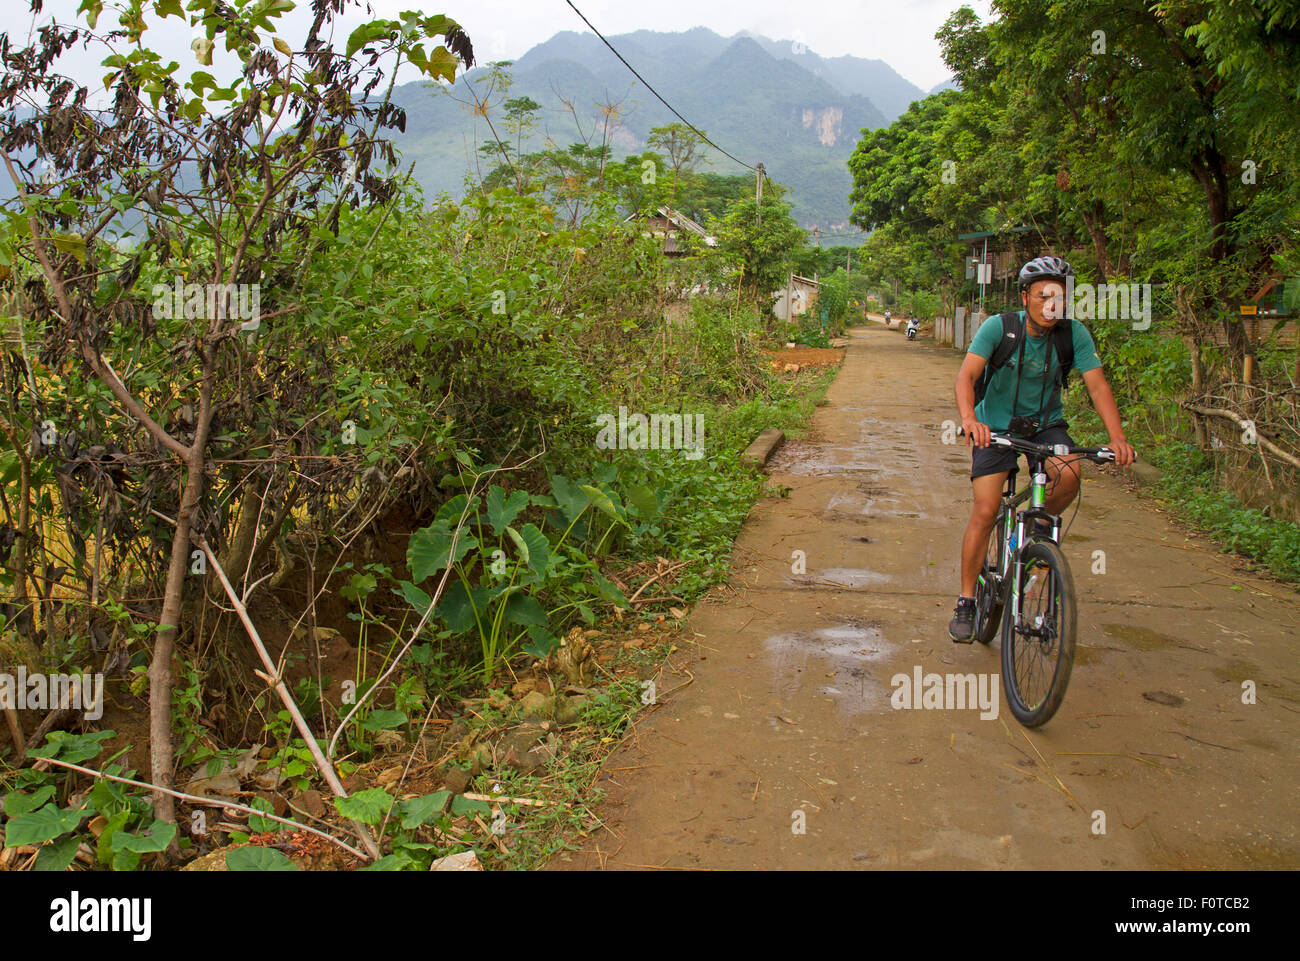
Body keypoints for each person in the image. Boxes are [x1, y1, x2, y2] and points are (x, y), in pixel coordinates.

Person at [947, 256, 1136, 642]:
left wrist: (1117, 438)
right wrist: (970, 420)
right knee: (985, 510)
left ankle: (1035, 531)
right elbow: (966, 376)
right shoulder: (999, 328)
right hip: (994, 426)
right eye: (1043, 295)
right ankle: (966, 600)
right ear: (1025, 296)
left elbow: (1097, 387)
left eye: (1059, 297)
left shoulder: (1073, 334)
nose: (1051, 304)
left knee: (1069, 474)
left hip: (1046, 424)